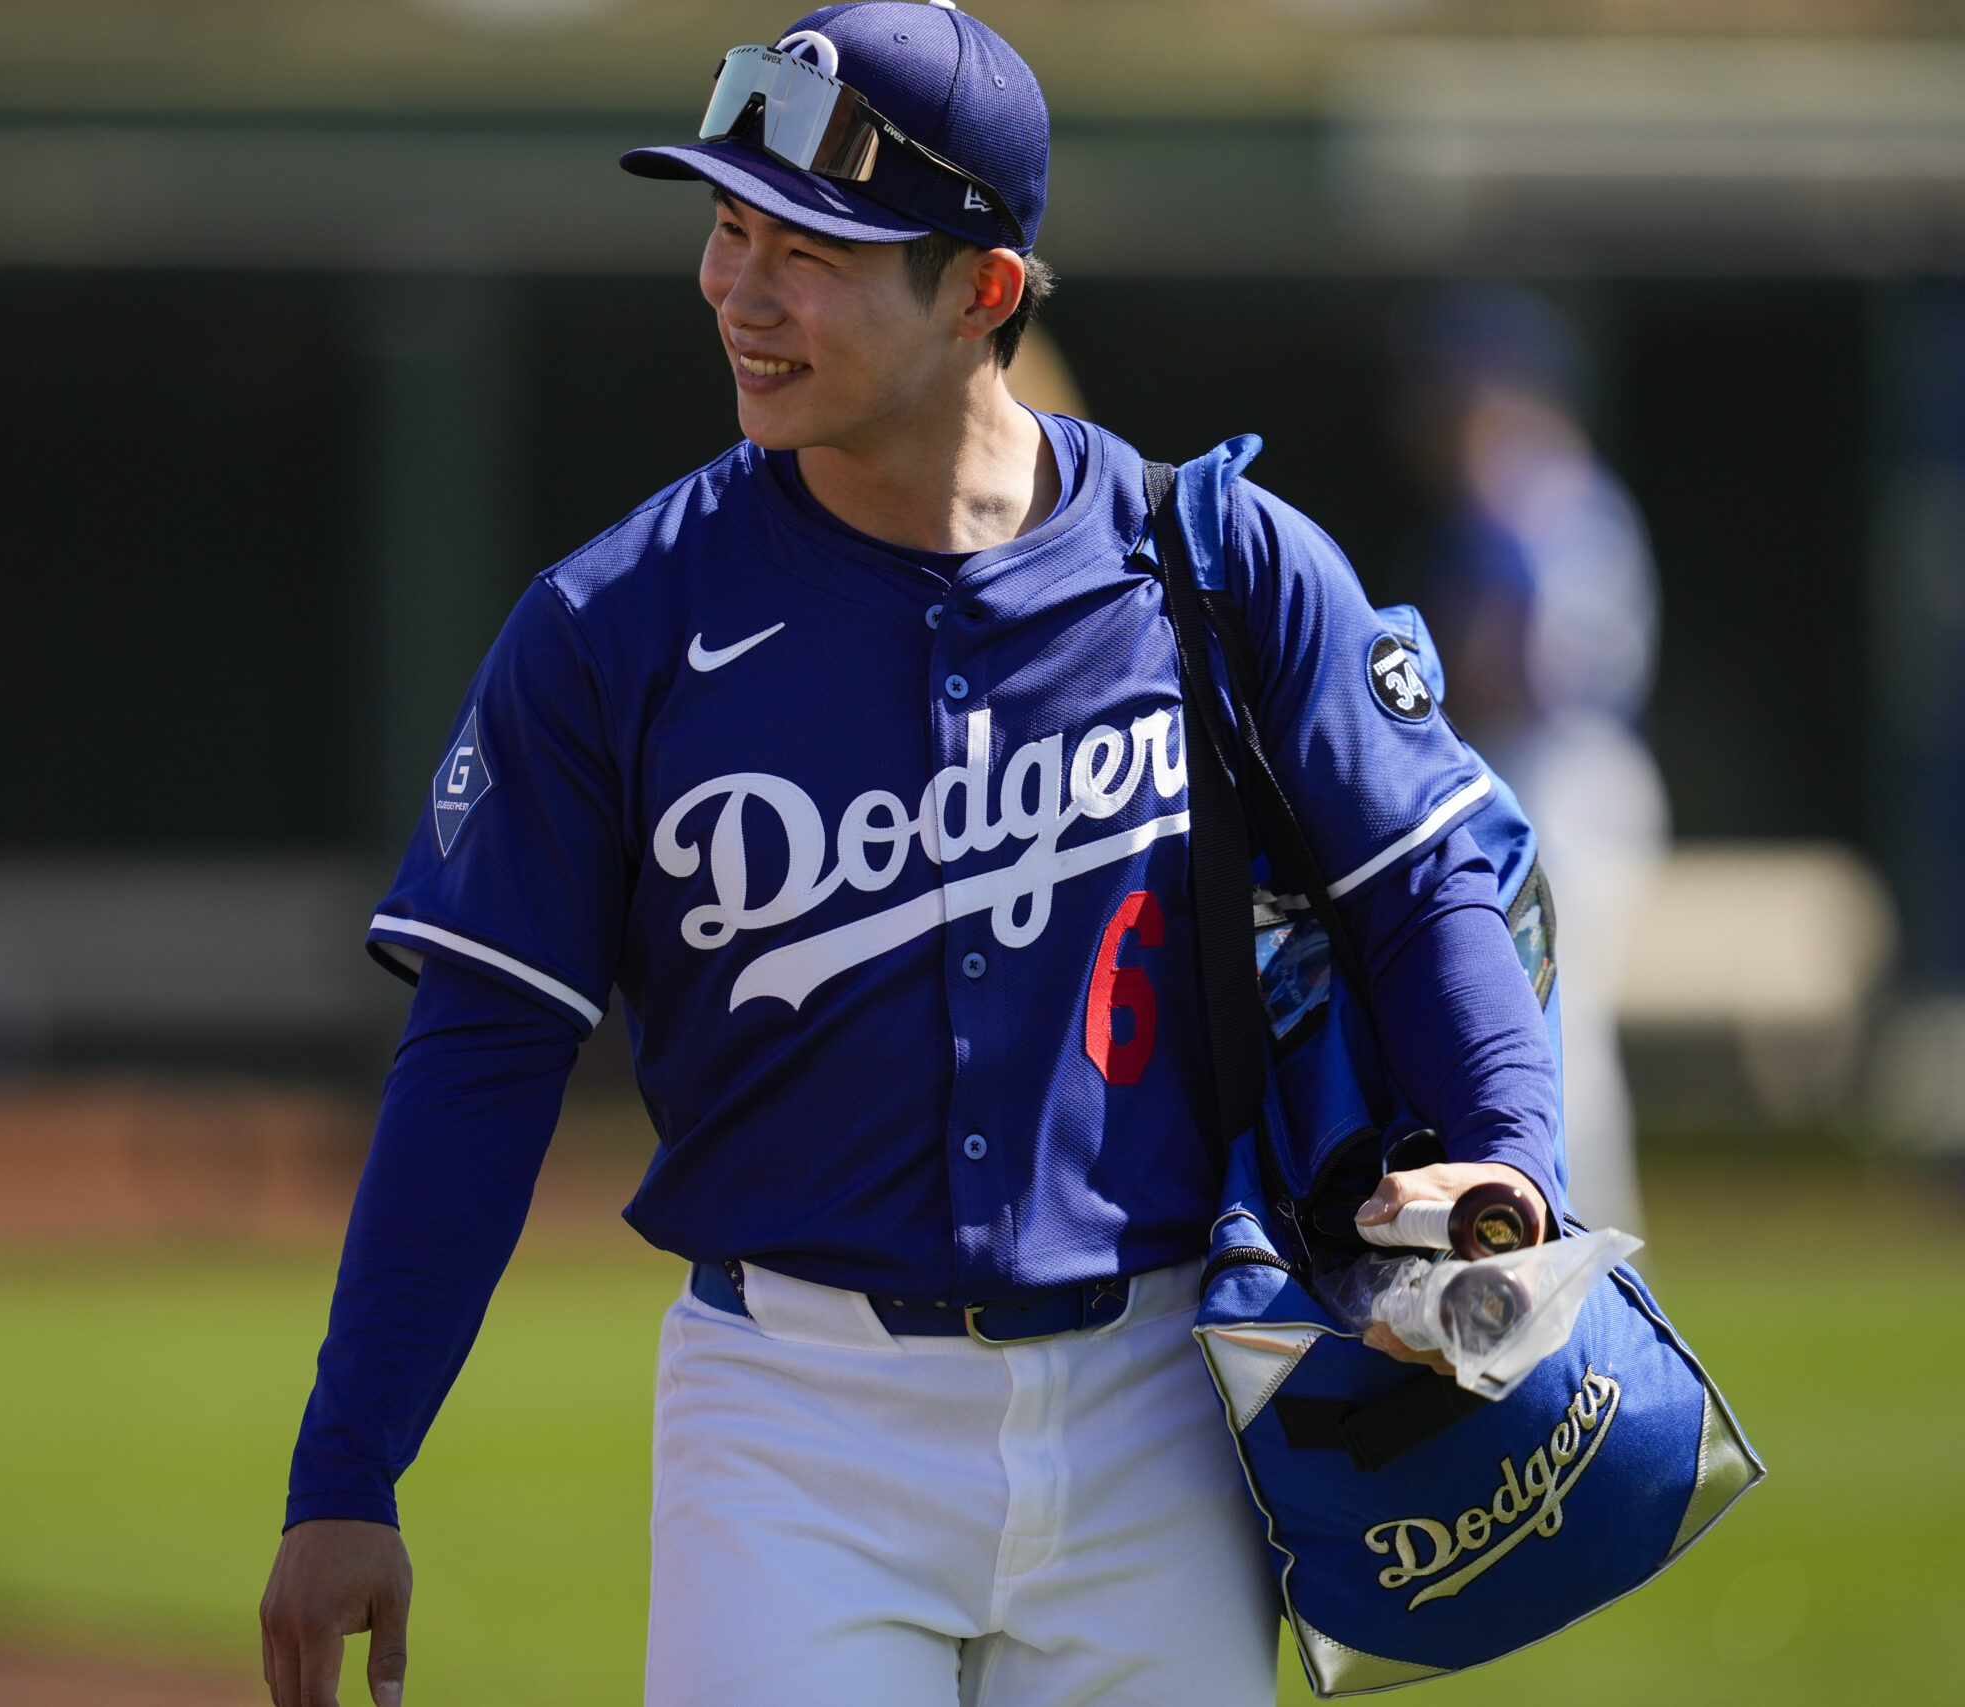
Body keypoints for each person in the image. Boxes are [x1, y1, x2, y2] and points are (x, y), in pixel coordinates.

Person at [261, 7, 1562, 1703]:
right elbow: (484, 1053)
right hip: (790, 1422)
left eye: (813, 249)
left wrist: (1515, 1168)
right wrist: (348, 1468)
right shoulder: (613, 626)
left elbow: (1423, 894)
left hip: (1158, 1415)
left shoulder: (1222, 566)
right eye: (729, 227)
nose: (742, 287)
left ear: (986, 292)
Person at [1399, 286, 1664, 1240]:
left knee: (1554, 1024)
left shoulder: (1520, 490)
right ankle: (1584, 1235)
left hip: (1561, 765)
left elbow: (1525, 667)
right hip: (1587, 763)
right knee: (1555, 1020)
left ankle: (1589, 1242)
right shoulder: (1576, 489)